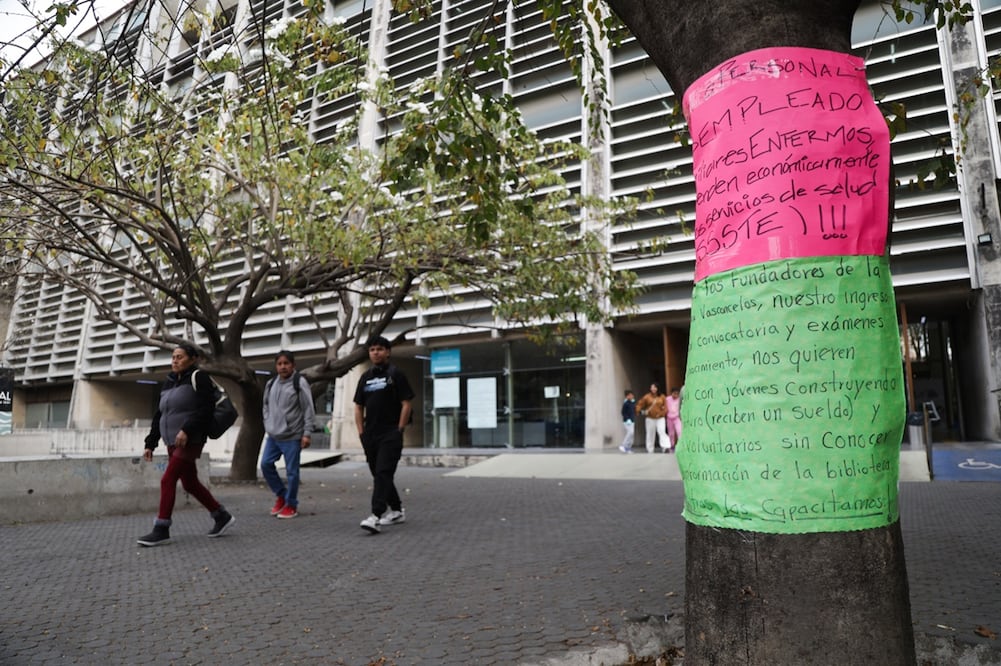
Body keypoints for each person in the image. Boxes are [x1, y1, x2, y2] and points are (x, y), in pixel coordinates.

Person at [137, 344, 235, 546]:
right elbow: (160, 414)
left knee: (168, 480)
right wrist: (150, 443)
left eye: (180, 357)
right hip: (171, 441)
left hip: (191, 439)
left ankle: (161, 528)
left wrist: (187, 429)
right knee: (190, 483)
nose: (175, 360)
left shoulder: (198, 377)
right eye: (173, 357)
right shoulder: (169, 382)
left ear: (192, 359)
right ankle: (221, 516)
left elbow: (206, 408)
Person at [353, 335, 414, 534]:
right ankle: (396, 510)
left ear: (387, 352)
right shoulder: (366, 377)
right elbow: (358, 406)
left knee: (383, 473)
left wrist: (400, 429)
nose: (375, 352)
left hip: (390, 433)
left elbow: (406, 403)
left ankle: (375, 516)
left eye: (379, 349)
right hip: (370, 435)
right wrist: (362, 433)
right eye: (372, 350)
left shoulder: (396, 374)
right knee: (379, 474)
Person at [261, 350, 315, 519]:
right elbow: (265, 406)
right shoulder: (271, 384)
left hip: (292, 435)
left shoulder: (299, 383)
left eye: (286, 363)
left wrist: (306, 433)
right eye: (280, 364)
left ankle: (291, 505)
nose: (283, 367)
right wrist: (268, 423)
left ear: (293, 365)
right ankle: (281, 495)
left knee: (292, 472)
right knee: (265, 465)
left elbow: (308, 409)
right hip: (274, 436)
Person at [635, 382, 668, 453]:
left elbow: (665, 407)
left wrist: (662, 413)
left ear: (657, 388)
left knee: (661, 431)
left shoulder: (662, 396)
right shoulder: (647, 397)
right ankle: (650, 449)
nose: (653, 389)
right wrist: (638, 410)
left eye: (655, 387)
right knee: (650, 433)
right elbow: (640, 404)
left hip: (660, 418)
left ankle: (665, 447)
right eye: (652, 387)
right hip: (650, 418)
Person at [665, 386, 683, 453]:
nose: (675, 395)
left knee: (679, 431)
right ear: (671, 393)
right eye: (674, 393)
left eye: (677, 394)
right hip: (669, 418)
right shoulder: (667, 399)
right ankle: (672, 446)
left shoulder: (679, 400)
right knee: (671, 433)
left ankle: (680, 446)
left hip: (677, 417)